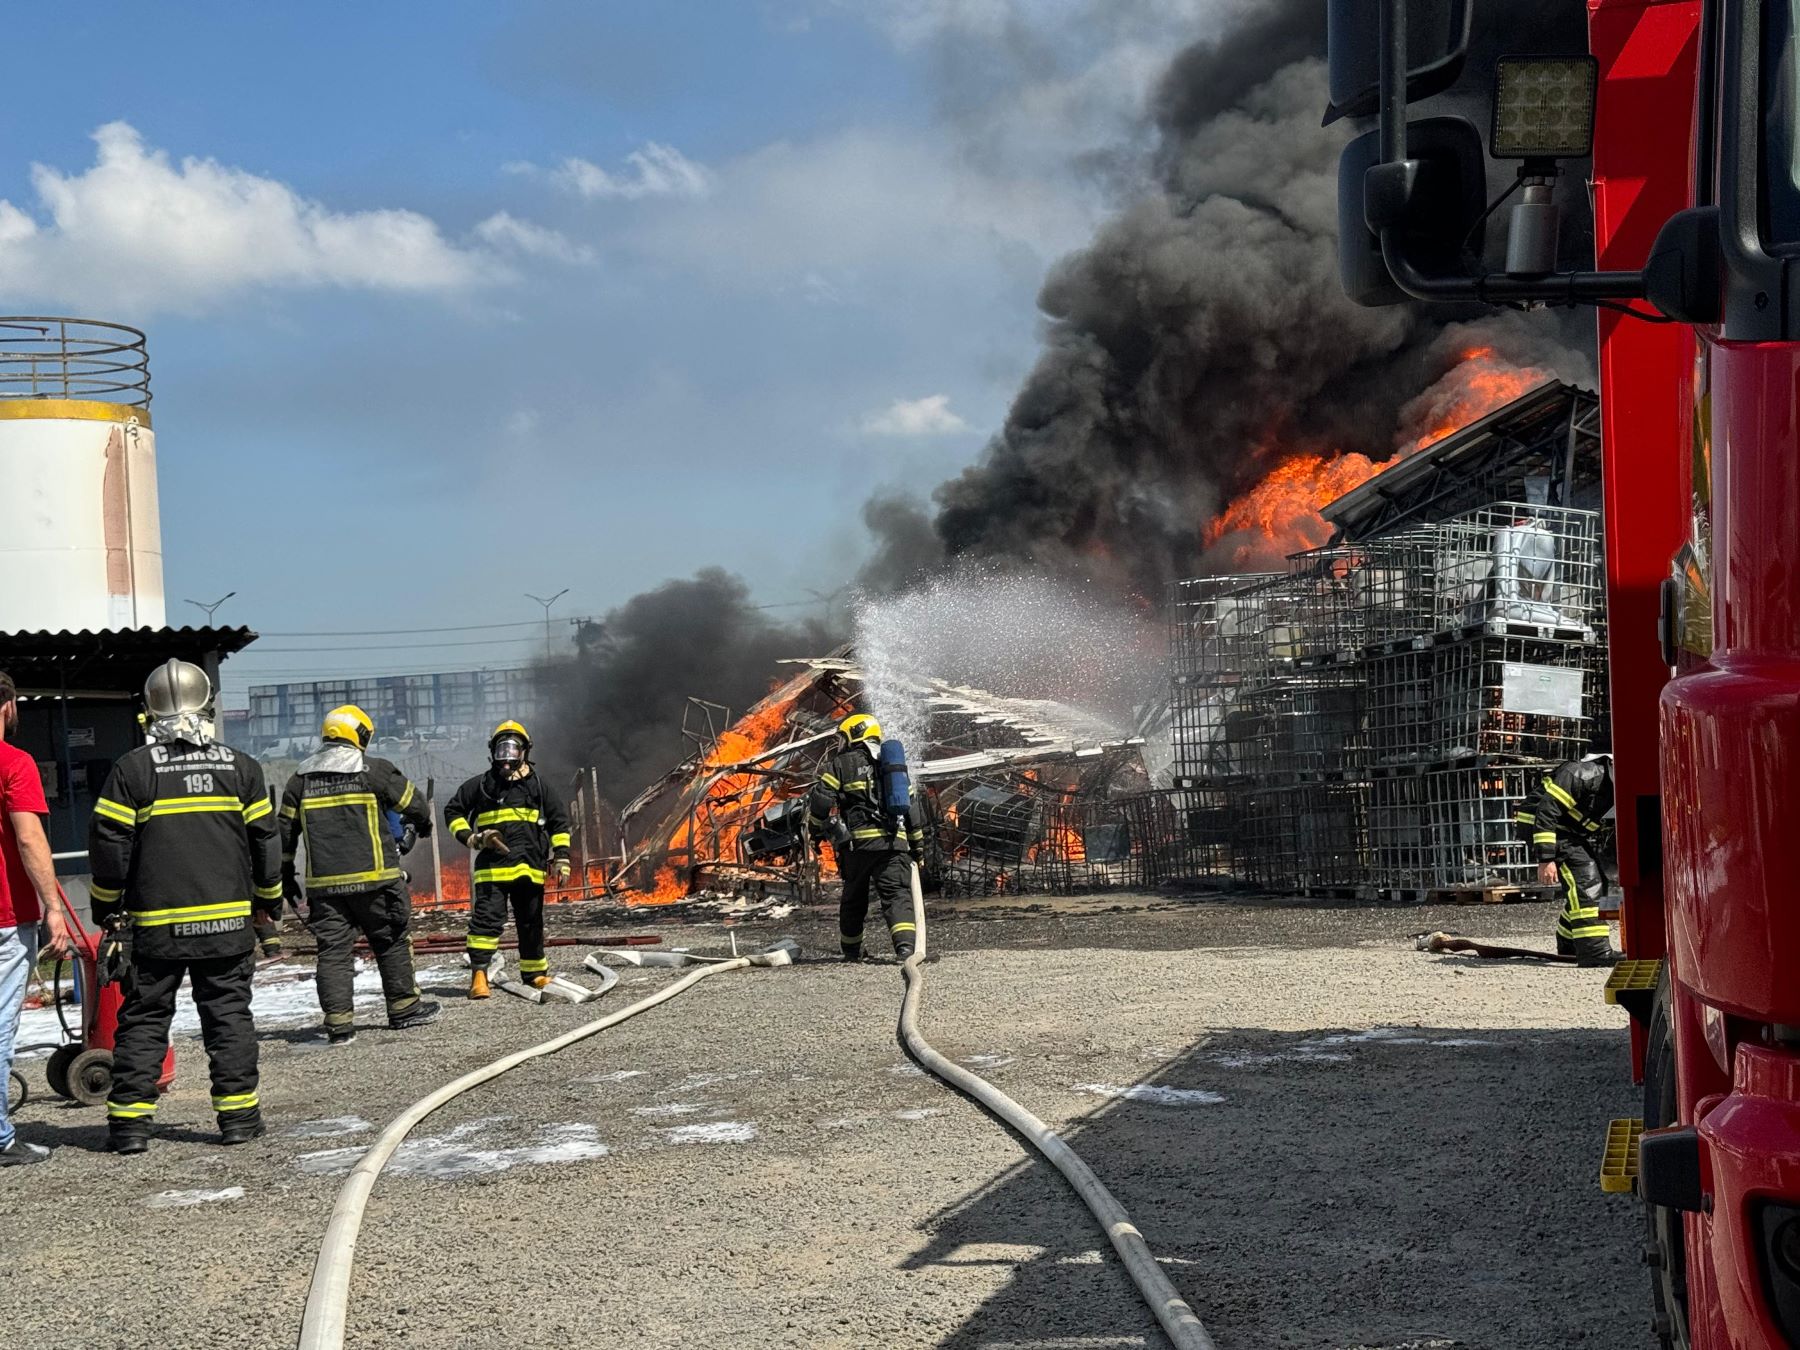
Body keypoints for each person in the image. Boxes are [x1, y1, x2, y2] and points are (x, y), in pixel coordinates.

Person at [88, 659, 283, 1154]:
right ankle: (238, 1119)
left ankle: (130, 1127)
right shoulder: (241, 768)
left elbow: (111, 847)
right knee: (229, 1017)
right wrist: (268, 900)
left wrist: (105, 908)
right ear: (208, 704)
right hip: (228, 926)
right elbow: (266, 841)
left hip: (157, 931)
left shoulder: (133, 770)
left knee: (145, 1021)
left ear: (148, 712)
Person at [279, 705, 438, 1046]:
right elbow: (417, 806)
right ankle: (404, 1009)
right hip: (376, 882)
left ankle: (338, 1025)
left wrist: (286, 875)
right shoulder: (374, 771)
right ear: (361, 736)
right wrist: (420, 825)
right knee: (391, 940)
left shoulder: (300, 780)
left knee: (333, 953)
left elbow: (284, 834)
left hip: (326, 890)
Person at [0, 672, 72, 1166]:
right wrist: (54, 908)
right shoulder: (14, 762)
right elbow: (29, 840)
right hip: (5, 917)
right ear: (7, 707)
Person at [445, 721, 570, 999]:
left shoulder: (539, 786)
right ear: (493, 751)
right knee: (486, 923)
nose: (507, 756)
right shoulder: (481, 786)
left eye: (513, 748)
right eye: (502, 748)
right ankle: (479, 974)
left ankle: (534, 973)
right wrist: (472, 838)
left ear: (525, 750)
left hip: (530, 868)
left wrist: (561, 858)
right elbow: (453, 811)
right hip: (493, 872)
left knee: (531, 922)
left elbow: (559, 824)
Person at [806, 714, 925, 962]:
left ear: (854, 733)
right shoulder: (893, 765)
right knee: (896, 897)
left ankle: (851, 952)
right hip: (893, 844)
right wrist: (918, 847)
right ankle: (905, 950)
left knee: (853, 898)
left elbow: (821, 799)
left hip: (856, 846)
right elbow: (912, 809)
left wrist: (815, 828)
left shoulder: (841, 764)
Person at [1516, 753, 1620, 966]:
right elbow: (1547, 812)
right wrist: (1546, 858)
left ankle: (1569, 943)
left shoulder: (1609, 783)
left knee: (1595, 882)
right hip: (1547, 827)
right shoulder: (1580, 774)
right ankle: (1594, 952)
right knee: (1587, 882)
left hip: (1565, 831)